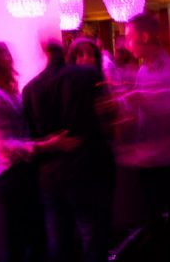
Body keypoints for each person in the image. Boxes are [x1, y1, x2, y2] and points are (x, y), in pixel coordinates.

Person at [0, 42, 77, 262]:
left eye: (7, 53)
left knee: (28, 239)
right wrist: (49, 145)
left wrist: (45, 140)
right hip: (12, 175)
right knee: (21, 241)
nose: (9, 58)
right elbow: (5, 146)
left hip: (19, 174)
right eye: (2, 55)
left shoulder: (4, 92)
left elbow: (18, 135)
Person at [38, 37, 116, 262]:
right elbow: (109, 120)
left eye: (90, 54)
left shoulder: (35, 86)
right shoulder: (91, 79)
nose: (87, 58)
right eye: (80, 54)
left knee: (61, 241)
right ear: (69, 57)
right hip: (89, 167)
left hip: (52, 173)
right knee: (93, 236)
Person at [125, 12, 170, 223]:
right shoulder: (143, 70)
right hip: (149, 160)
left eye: (129, 37)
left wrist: (141, 101)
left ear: (144, 37)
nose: (127, 44)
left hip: (169, 163)